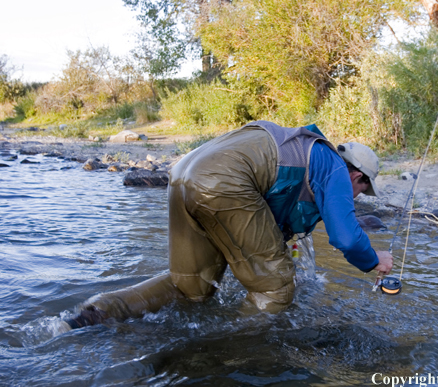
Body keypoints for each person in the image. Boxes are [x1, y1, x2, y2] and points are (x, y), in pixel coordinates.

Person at [64, 120, 393, 329]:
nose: (360, 195)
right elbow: (346, 238)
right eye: (364, 188)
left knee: (191, 287)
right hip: (224, 182)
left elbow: (263, 218)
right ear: (356, 175)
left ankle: (99, 312)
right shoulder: (333, 165)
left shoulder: (301, 151)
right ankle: (228, 354)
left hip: (182, 176)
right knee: (275, 286)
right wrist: (373, 259)